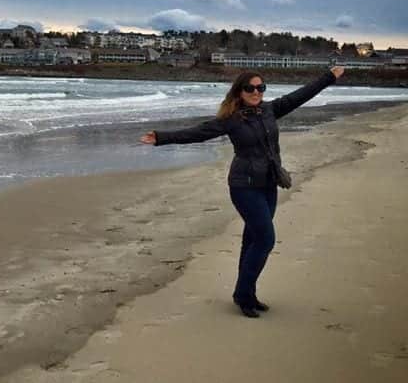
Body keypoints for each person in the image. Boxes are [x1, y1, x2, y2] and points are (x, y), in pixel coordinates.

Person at [140, 66, 345, 318]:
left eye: (261, 87)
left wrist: (328, 77)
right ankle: (242, 293)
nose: (256, 92)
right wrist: (162, 137)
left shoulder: (270, 110)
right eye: (250, 88)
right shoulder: (232, 120)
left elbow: (300, 95)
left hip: (269, 184)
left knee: (252, 240)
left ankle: (248, 294)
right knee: (266, 240)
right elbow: (198, 133)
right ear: (239, 92)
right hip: (244, 186)